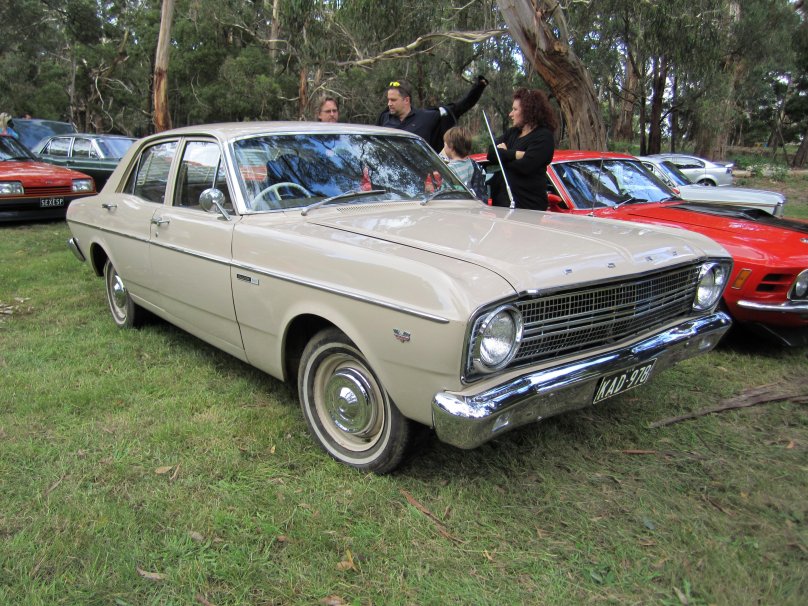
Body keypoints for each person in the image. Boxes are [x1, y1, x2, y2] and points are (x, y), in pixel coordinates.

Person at [486, 88, 557, 211]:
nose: (510, 114)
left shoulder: (543, 137)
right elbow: (491, 153)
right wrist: (516, 154)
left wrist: (503, 156)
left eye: (515, 109)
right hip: (502, 206)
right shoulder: (513, 132)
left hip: (528, 207)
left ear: (528, 111)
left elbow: (525, 166)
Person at [377, 76, 488, 152]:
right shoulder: (384, 118)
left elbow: (459, 108)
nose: (389, 104)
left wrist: (479, 87)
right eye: (388, 100)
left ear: (406, 100)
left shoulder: (426, 118)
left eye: (393, 100)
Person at [440, 126, 487, 202]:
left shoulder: (449, 169)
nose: (444, 148)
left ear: (451, 146)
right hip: (472, 205)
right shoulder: (474, 165)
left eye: (445, 144)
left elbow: (443, 195)